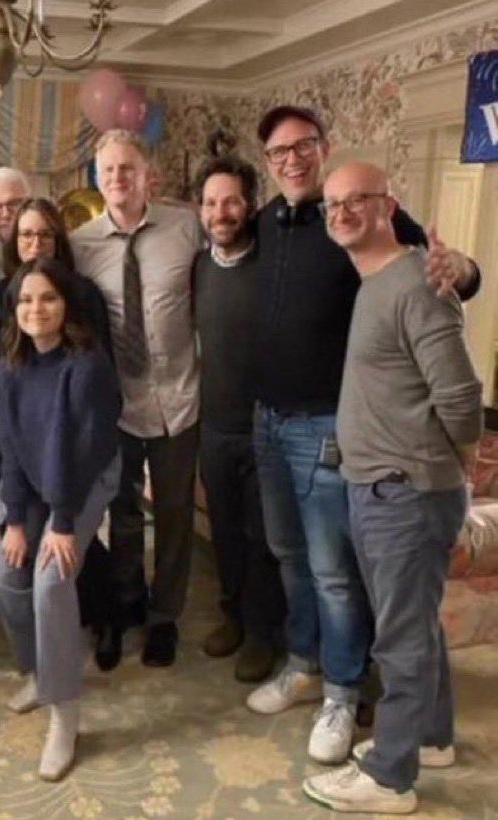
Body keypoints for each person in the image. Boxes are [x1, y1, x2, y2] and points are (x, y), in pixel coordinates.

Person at [246, 105, 481, 765]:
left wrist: (462, 271)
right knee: (290, 556)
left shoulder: (369, 219)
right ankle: (305, 663)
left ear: (322, 149)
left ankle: (343, 695)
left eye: (302, 146)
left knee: (334, 574)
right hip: (270, 421)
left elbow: (441, 273)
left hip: (335, 430)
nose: (291, 160)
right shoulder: (268, 221)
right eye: (278, 152)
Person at [303, 163, 482, 814]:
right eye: (332, 204)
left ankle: (389, 777)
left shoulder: (416, 283)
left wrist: (452, 465)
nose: (342, 212)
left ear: (389, 205)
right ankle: (429, 738)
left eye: (358, 199)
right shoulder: (377, 281)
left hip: (404, 490)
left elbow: (461, 399)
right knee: (414, 625)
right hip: (386, 487)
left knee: (400, 640)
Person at [71, 129, 204, 670]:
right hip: (117, 403)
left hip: (180, 397)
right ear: (97, 179)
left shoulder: (186, 227)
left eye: (127, 168)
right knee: (121, 513)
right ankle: (125, 607)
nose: (118, 178)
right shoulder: (80, 245)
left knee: (174, 514)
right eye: (108, 170)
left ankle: (165, 616)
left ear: (147, 173)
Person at [0, 257, 121, 781]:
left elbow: (82, 451)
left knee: (51, 580)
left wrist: (61, 522)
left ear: (67, 304)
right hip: (35, 479)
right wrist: (16, 518)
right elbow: (10, 445)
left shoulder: (87, 364)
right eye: (25, 299)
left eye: (48, 298)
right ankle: (39, 673)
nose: (36, 309)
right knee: (6, 575)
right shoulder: (10, 363)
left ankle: (65, 712)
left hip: (83, 479)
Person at [193, 156, 286, 682]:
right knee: (225, 533)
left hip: (267, 429)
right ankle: (232, 616)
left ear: (250, 206)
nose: (220, 212)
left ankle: (261, 634)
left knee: (263, 538)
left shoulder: (273, 262)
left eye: (231, 201)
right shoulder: (199, 267)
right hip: (214, 427)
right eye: (211, 203)